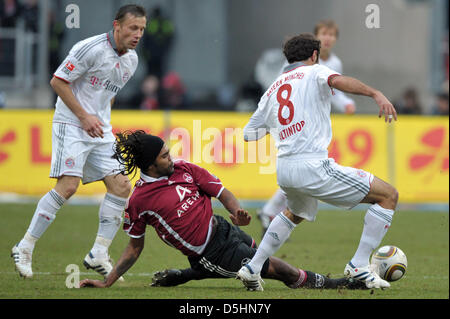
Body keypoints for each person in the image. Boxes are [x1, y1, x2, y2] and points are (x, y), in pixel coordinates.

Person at [79, 130, 365, 291]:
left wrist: (237, 211)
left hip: (225, 229)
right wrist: (108, 282)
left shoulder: (184, 169)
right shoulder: (140, 200)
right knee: (280, 270)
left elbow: (221, 192)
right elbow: (133, 248)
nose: (172, 157)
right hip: (210, 253)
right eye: (165, 155)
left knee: (263, 256)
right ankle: (339, 285)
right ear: (150, 165)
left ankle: (185, 275)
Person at [236, 33, 398, 291]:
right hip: (312, 166)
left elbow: (248, 134)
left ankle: (252, 267)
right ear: (314, 55)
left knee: (294, 212)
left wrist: (283, 126)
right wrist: (375, 93)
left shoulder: (274, 88)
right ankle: (358, 264)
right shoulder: (315, 72)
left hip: (285, 169)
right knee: (388, 195)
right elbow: (338, 80)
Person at [11, 4, 147, 280]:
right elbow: (58, 82)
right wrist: (85, 117)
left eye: (142, 29)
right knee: (69, 185)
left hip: (99, 129)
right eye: (133, 28)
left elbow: (108, 93)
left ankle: (98, 252)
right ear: (117, 25)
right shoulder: (91, 48)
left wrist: (100, 120)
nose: (138, 34)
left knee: (122, 186)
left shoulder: (131, 61)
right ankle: (24, 246)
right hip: (72, 123)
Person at [257, 20, 357, 237]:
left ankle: (268, 212)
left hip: (316, 121)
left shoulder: (335, 63)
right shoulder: (299, 64)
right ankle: (270, 211)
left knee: (299, 174)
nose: (328, 38)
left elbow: (334, 89)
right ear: (316, 39)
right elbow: (282, 87)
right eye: (324, 34)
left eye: (332, 35)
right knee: (302, 170)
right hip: (298, 123)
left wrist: (346, 102)